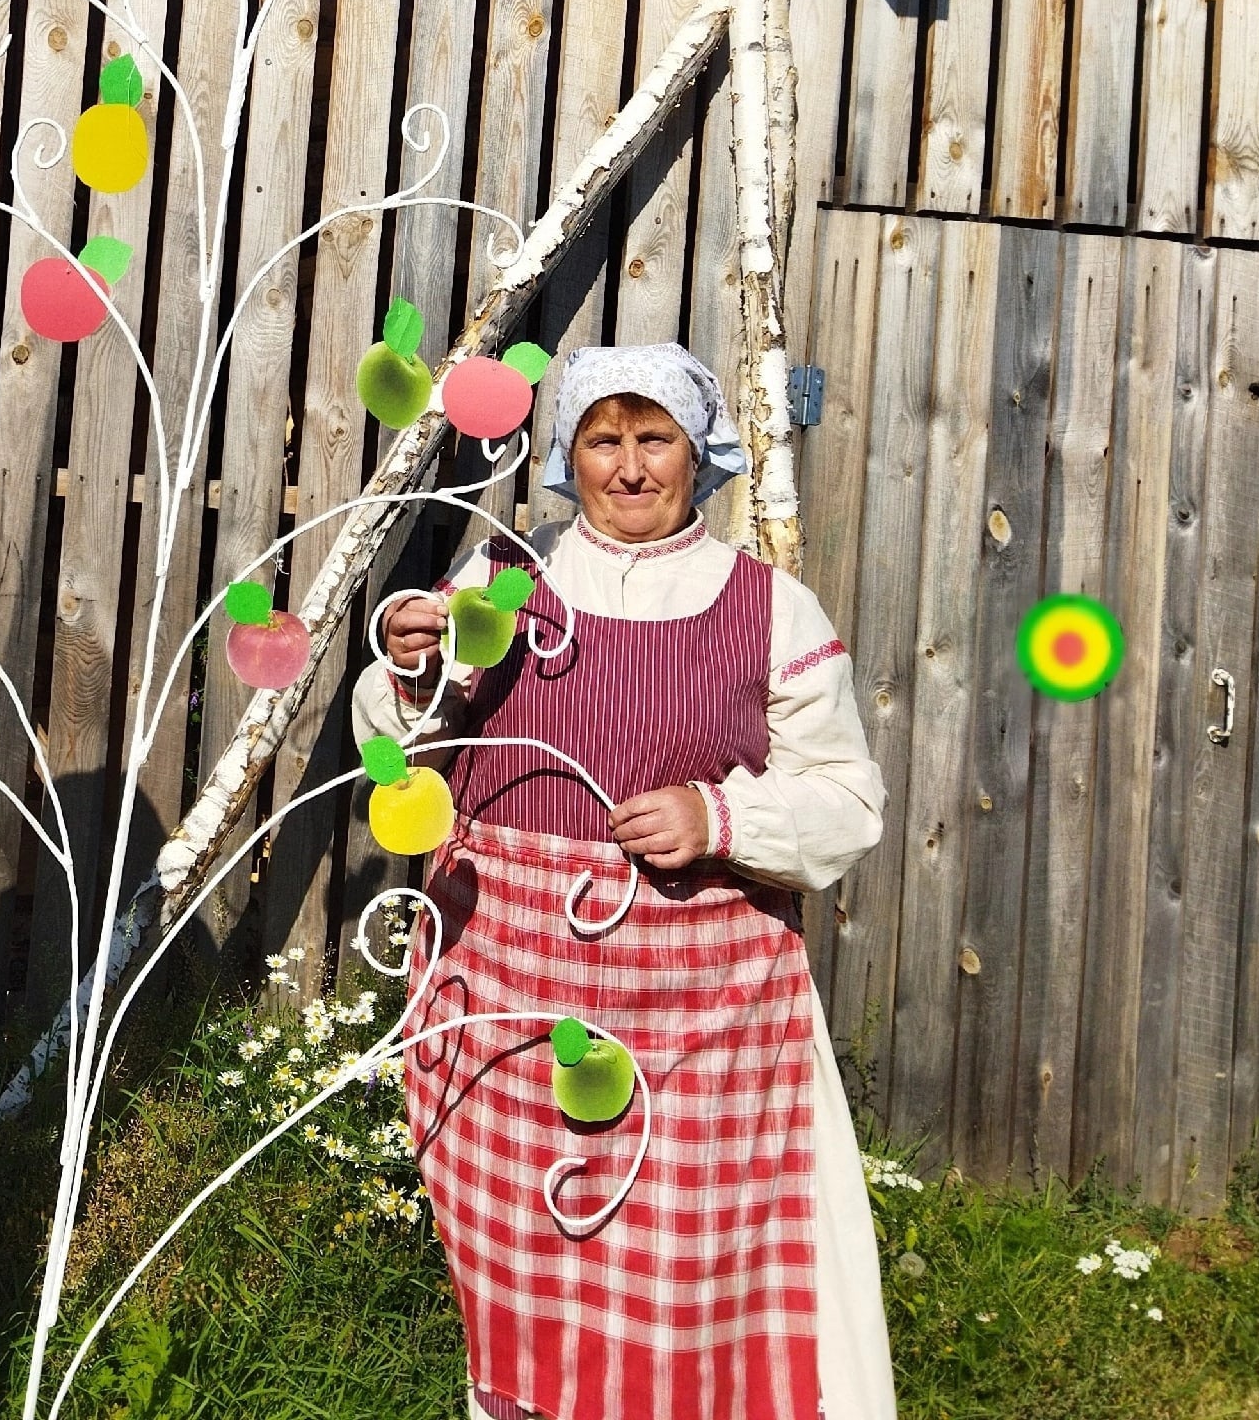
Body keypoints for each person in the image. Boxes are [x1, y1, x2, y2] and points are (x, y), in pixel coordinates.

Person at [354, 343, 896, 1420]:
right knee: (527, 1254)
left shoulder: (768, 608)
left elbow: (847, 799)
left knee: (693, 1265)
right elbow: (398, 756)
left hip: (700, 1010)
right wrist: (410, 668)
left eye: (655, 439)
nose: (631, 467)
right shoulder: (505, 579)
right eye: (605, 439)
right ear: (567, 454)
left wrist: (720, 815)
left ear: (700, 454)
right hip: (515, 995)